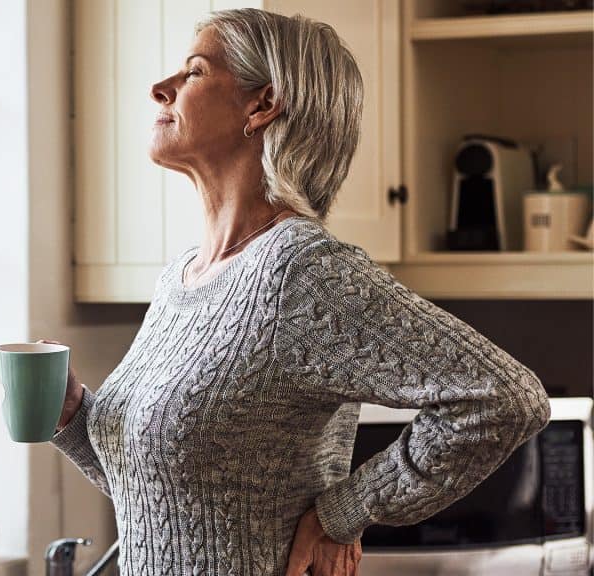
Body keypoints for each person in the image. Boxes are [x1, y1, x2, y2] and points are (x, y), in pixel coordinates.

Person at [40, 8, 551, 576]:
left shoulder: (300, 273)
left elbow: (503, 396)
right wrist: (73, 423)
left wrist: (346, 510)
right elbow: (165, 495)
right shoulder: (182, 277)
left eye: (193, 73)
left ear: (261, 105)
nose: (160, 89)